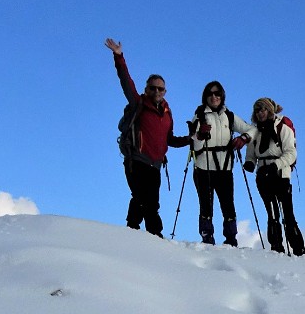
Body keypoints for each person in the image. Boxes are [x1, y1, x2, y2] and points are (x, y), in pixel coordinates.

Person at [105, 38, 188, 235]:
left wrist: (190, 139)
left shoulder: (167, 113)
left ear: (165, 91)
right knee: (145, 199)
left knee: (147, 200)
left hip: (155, 165)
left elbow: (170, 140)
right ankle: (150, 233)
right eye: (153, 88)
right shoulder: (138, 103)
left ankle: (135, 230)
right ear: (146, 89)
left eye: (160, 88)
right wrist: (119, 56)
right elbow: (126, 81)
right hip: (136, 161)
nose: (157, 91)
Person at [236, 98, 304, 255]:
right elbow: (251, 153)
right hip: (263, 174)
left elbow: (291, 153)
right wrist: (250, 163)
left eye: (263, 109)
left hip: (280, 174)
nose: (260, 113)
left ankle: (297, 248)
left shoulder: (282, 128)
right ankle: (277, 247)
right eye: (258, 110)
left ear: (270, 110)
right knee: (272, 212)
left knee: (287, 212)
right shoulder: (255, 131)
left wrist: (276, 165)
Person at [188, 81, 248, 246]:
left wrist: (244, 138)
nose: (214, 97)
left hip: (224, 169)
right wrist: (200, 135)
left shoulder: (229, 116)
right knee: (206, 206)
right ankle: (207, 237)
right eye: (210, 94)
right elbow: (194, 145)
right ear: (205, 97)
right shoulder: (200, 116)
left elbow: (250, 129)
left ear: (222, 96)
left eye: (217, 93)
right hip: (203, 168)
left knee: (228, 205)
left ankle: (230, 238)